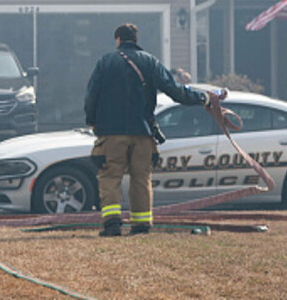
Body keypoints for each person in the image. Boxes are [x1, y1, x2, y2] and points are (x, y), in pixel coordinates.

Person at [84, 23, 216, 237]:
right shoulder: (151, 62)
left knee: (110, 177)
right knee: (141, 178)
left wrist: (92, 121)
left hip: (111, 132)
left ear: (118, 40)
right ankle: (141, 225)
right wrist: (204, 98)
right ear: (136, 40)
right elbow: (176, 92)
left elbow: (91, 97)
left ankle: (112, 225)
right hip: (143, 132)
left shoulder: (105, 62)